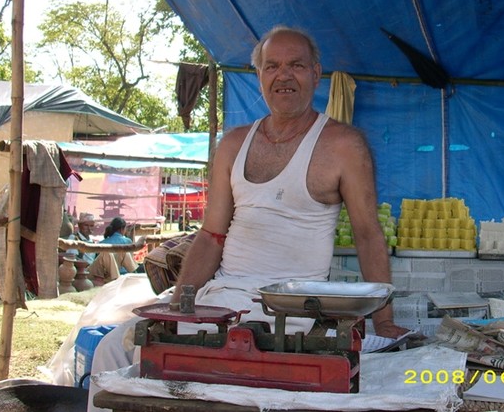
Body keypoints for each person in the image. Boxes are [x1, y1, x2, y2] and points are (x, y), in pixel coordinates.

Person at [87, 26, 408, 411]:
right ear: (259, 76)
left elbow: (368, 235)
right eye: (272, 66)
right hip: (219, 298)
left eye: (296, 65)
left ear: (315, 74)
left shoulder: (343, 145)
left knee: (218, 374)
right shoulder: (234, 143)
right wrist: (179, 300)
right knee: (111, 350)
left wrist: (384, 322)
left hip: (291, 310)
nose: (283, 76)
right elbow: (211, 235)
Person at [88, 216, 138, 284]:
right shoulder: (127, 241)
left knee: (123, 252)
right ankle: (117, 281)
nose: (89, 228)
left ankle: (135, 277)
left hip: (115, 273)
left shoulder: (101, 243)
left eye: (91, 226)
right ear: (122, 229)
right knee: (106, 252)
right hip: (105, 274)